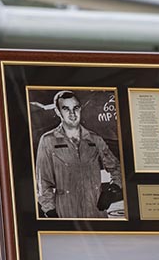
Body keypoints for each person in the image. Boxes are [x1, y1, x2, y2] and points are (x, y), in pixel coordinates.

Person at [36, 90, 122, 218]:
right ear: (58, 112)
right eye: (66, 109)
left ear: (80, 109)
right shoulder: (48, 141)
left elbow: (117, 169)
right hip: (66, 212)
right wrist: (51, 212)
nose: (72, 114)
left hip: (95, 212)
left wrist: (113, 189)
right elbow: (43, 182)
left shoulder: (94, 139)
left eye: (75, 108)